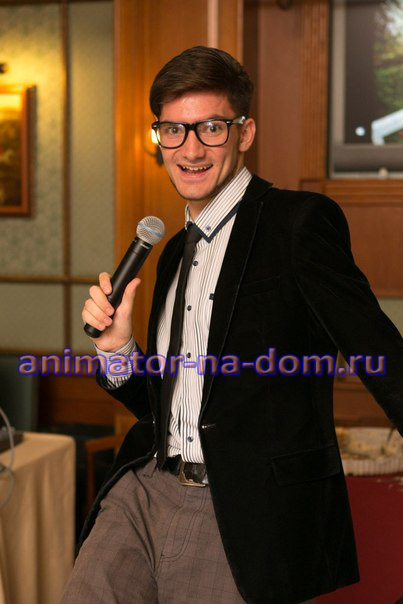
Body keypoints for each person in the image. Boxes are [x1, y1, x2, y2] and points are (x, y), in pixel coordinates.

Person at [61, 46, 403, 604]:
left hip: (239, 508)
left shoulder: (297, 224)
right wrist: (119, 350)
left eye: (211, 128)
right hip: (144, 487)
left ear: (245, 133)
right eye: (174, 130)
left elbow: (379, 352)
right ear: (159, 138)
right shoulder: (171, 253)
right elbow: (167, 408)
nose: (191, 149)